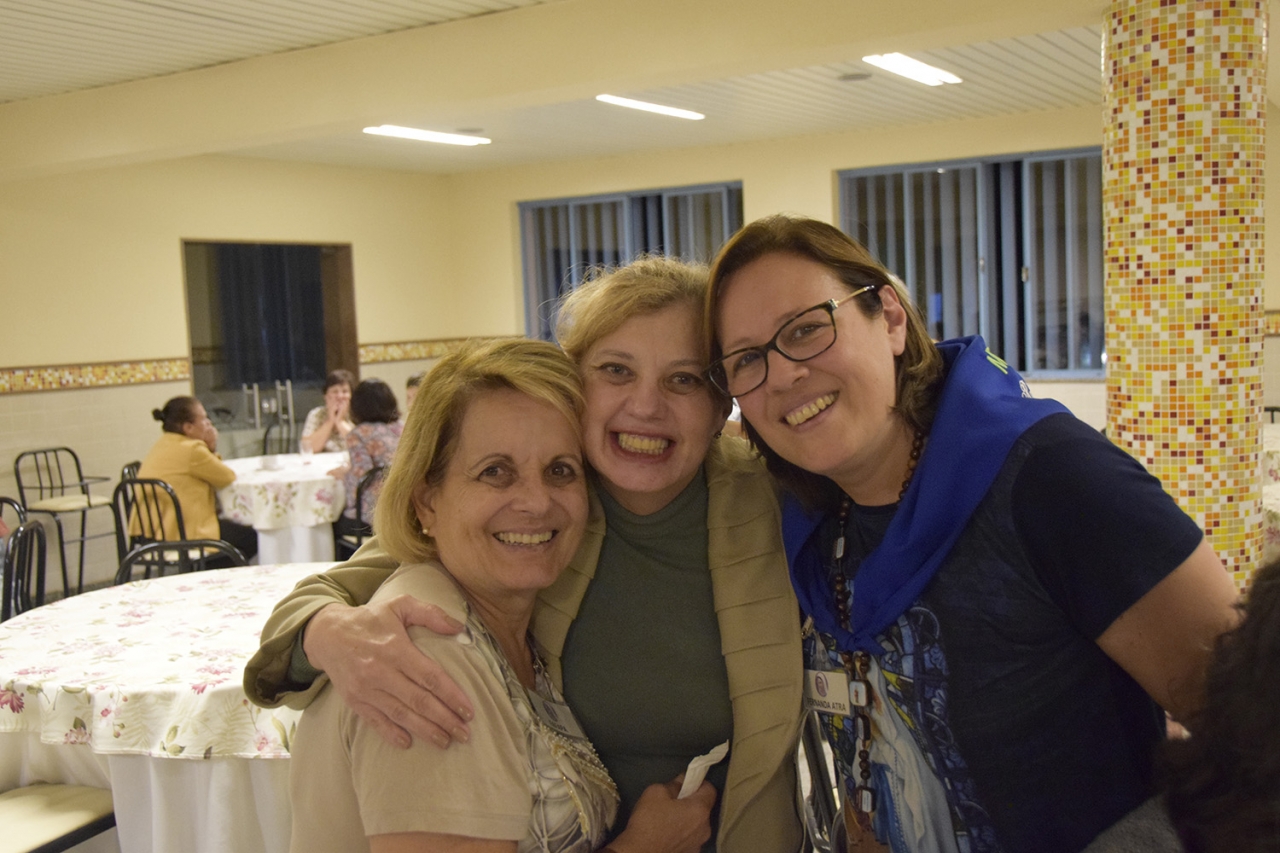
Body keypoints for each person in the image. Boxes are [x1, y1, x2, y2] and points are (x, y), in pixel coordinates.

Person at [704, 214, 1241, 853]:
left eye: (806, 329)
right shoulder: (813, 519)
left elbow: (1256, 731)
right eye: (747, 360)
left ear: (891, 318)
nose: (783, 374)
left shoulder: (1050, 479)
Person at [245, 257, 804, 853]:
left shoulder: (773, 499)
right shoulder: (546, 496)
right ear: (576, 386)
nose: (646, 405)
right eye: (616, 370)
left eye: (685, 379)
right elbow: (349, 579)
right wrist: (329, 633)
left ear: (722, 403)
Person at [293, 337, 638, 852]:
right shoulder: (425, 659)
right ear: (426, 502)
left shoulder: (503, 622)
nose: (536, 501)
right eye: (495, 472)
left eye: (560, 470)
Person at [137, 396, 258, 565]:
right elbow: (226, 477)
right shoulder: (192, 449)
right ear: (188, 427)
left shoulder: (164, 442)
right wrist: (211, 446)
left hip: (155, 528)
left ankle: (210, 571)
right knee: (251, 537)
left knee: (235, 536)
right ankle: (214, 574)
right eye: (204, 419)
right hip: (181, 530)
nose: (209, 423)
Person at [328, 378, 403, 536]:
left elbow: (362, 475)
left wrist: (344, 475)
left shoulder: (359, 434)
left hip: (376, 512)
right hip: (404, 505)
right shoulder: (402, 427)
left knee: (331, 523)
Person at [301, 369, 356, 453]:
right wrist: (330, 420)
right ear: (326, 396)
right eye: (335, 392)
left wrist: (340, 421)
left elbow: (361, 447)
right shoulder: (316, 414)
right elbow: (308, 448)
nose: (340, 396)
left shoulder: (357, 414)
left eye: (345, 391)